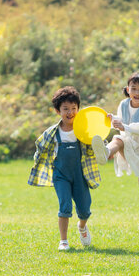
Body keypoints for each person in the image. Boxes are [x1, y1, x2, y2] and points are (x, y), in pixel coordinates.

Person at [92, 72, 139, 248]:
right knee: (119, 139)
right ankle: (106, 152)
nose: (137, 92)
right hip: (129, 141)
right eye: (133, 88)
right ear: (127, 90)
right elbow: (121, 122)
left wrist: (123, 126)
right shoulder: (124, 104)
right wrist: (113, 120)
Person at [28, 86, 101, 251]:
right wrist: (39, 162)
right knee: (65, 206)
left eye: (73, 108)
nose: (70, 112)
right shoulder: (52, 133)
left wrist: (104, 149)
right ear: (57, 111)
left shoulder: (83, 130)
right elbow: (40, 147)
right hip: (61, 175)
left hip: (80, 175)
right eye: (65, 109)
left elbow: (96, 144)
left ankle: (82, 226)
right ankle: (64, 241)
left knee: (84, 209)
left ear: (78, 109)